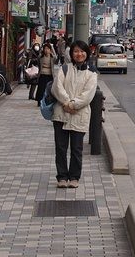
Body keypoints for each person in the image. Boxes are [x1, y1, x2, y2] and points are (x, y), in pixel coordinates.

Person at [50, 40, 97, 189]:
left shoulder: (92, 72)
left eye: (82, 51)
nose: (79, 54)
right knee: (61, 148)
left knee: (77, 149)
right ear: (71, 54)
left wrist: (72, 104)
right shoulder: (64, 69)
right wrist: (67, 102)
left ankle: (74, 177)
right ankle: (62, 177)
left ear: (87, 54)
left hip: (79, 114)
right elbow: (57, 88)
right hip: (61, 115)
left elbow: (88, 94)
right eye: (76, 51)